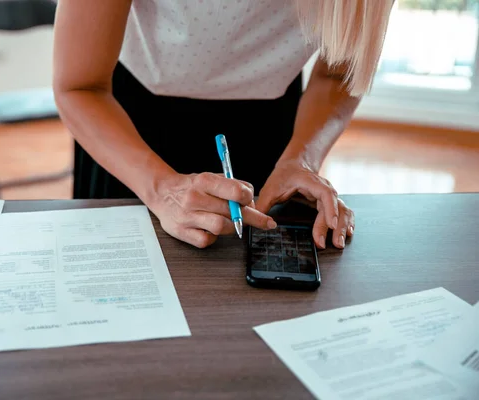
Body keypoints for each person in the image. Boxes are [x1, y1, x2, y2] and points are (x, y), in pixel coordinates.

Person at [52, 0, 394, 249]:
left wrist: (301, 159)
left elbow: (338, 74)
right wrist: (160, 188)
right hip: (126, 132)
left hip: (273, 135)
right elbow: (79, 87)